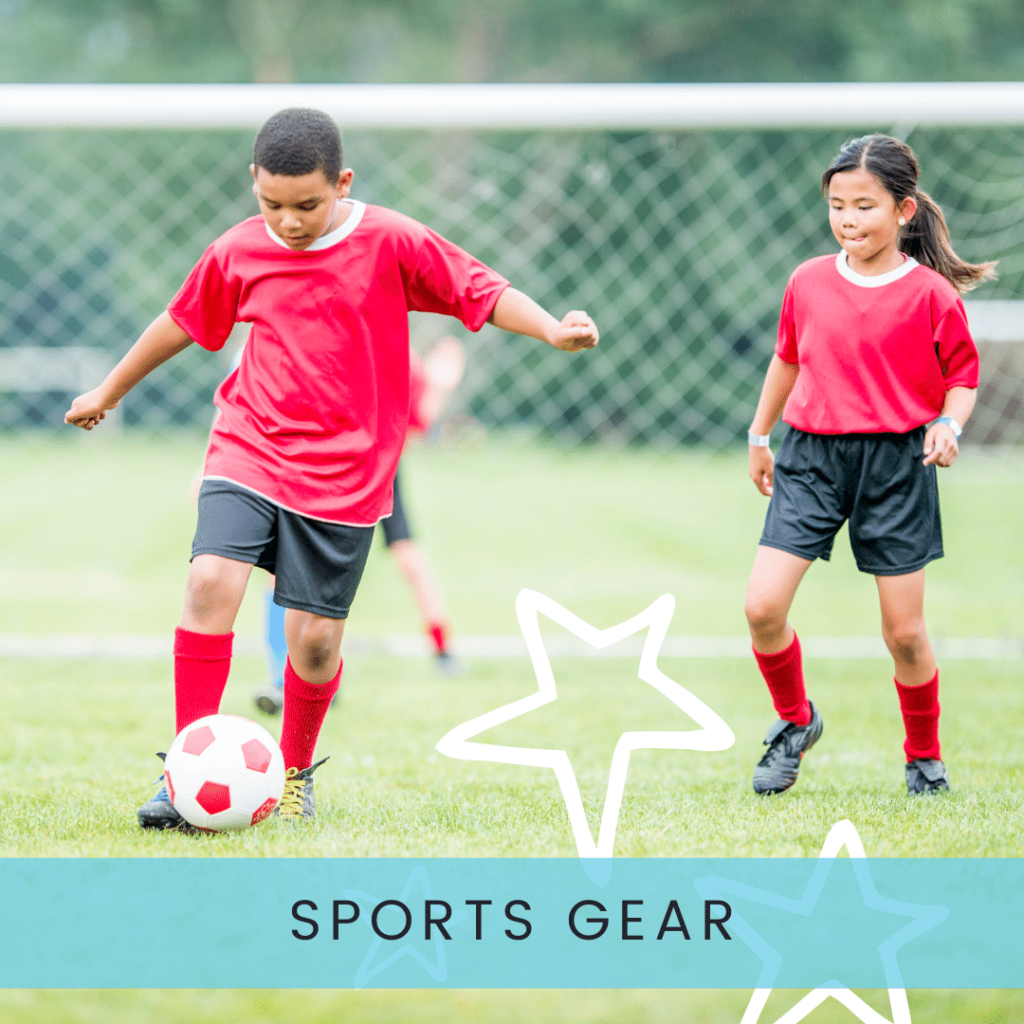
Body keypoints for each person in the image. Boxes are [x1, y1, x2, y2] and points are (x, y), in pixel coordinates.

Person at [65, 107, 599, 829]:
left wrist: (551, 328)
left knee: (314, 641)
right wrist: (108, 390)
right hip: (249, 444)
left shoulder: (392, 240)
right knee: (208, 581)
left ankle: (290, 777)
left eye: (307, 205)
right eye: (272, 203)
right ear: (254, 183)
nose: (288, 221)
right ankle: (185, 769)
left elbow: (481, 290)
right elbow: (183, 321)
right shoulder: (238, 250)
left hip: (346, 475)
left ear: (343, 183)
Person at [743, 133, 995, 798]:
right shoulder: (807, 281)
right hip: (812, 455)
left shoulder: (933, 295)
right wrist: (758, 433)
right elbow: (787, 357)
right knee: (762, 607)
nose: (848, 219)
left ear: (904, 211)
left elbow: (961, 380)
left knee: (904, 632)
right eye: (837, 205)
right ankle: (795, 723)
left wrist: (948, 424)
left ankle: (924, 757)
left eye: (864, 206)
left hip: (895, 463)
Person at [251, 337, 467, 717]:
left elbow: (415, 427)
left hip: (380, 471)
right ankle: (284, 675)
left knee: (409, 560)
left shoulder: (405, 360)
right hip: (329, 468)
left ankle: (443, 649)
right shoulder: (327, 347)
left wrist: (438, 389)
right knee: (286, 570)